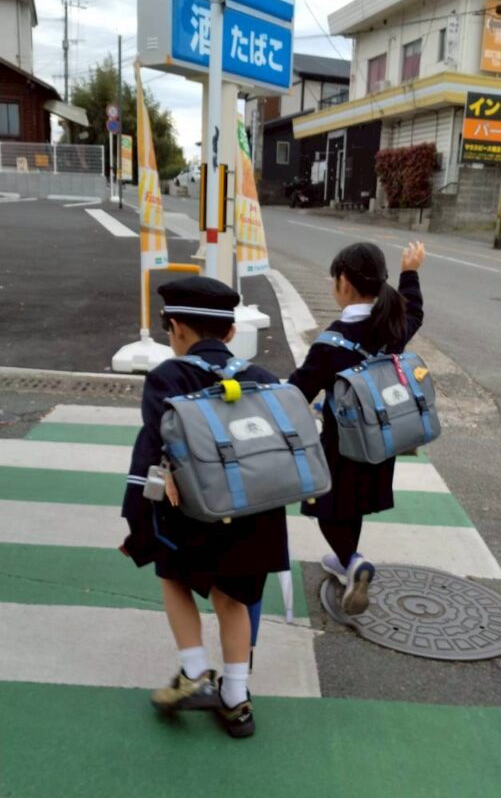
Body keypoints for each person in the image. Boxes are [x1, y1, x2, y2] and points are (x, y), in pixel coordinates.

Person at [120, 276, 289, 738]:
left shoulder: (167, 378)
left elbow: (150, 455)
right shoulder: (263, 379)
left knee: (174, 579)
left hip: (192, 514)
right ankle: (236, 700)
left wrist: (136, 524)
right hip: (255, 515)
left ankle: (194, 673)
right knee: (233, 599)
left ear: (175, 327)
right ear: (232, 332)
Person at [288, 240, 426, 616]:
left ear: (344, 283)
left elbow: (297, 392)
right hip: (381, 440)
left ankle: (352, 560)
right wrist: (410, 272)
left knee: (325, 508)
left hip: (340, 445)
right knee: (355, 503)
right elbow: (415, 312)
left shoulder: (331, 343)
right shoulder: (391, 326)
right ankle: (345, 560)